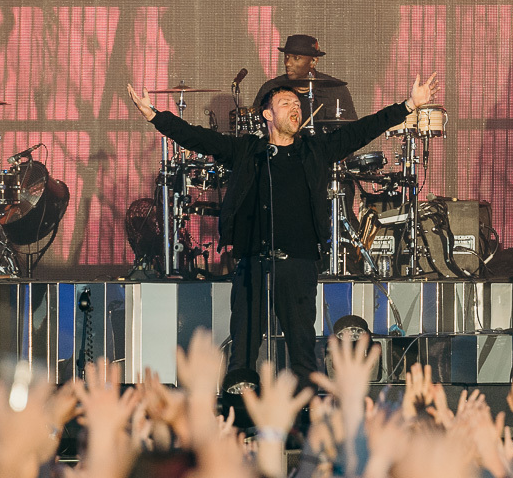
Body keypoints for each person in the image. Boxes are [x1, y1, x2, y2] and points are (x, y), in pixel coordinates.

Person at [127, 73, 438, 389]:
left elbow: (361, 131)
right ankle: (242, 405)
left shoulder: (315, 150)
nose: (296, 108)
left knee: (302, 345)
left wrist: (409, 105)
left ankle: (305, 409)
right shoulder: (247, 151)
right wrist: (155, 116)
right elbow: (197, 138)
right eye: (286, 102)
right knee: (244, 345)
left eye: (298, 104)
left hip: (299, 261)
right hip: (252, 261)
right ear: (267, 114)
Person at [251, 34, 358, 124]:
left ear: (313, 61)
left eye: (296, 58)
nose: (287, 63)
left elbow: (351, 131)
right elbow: (255, 126)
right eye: (287, 57)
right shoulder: (271, 88)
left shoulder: (336, 90)